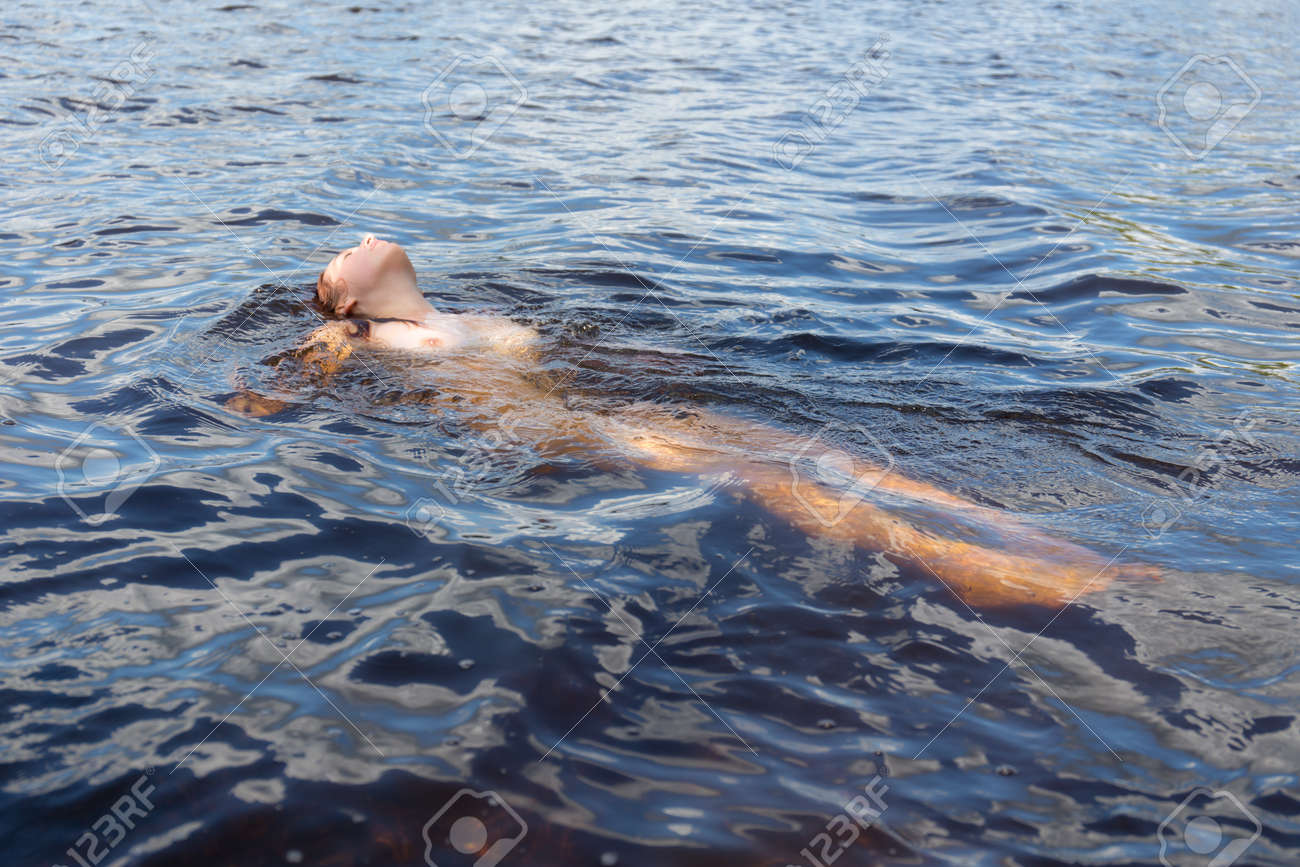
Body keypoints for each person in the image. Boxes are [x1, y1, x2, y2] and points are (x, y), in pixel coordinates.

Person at [227, 235, 1157, 608]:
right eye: (340, 256)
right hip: (553, 433)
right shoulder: (358, 338)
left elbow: (575, 356)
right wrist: (248, 406)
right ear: (346, 299)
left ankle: (1031, 536)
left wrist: (650, 365)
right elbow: (281, 387)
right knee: (763, 477)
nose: (358, 241)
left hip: (606, 406)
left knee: (823, 449)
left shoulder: (470, 315)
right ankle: (996, 574)